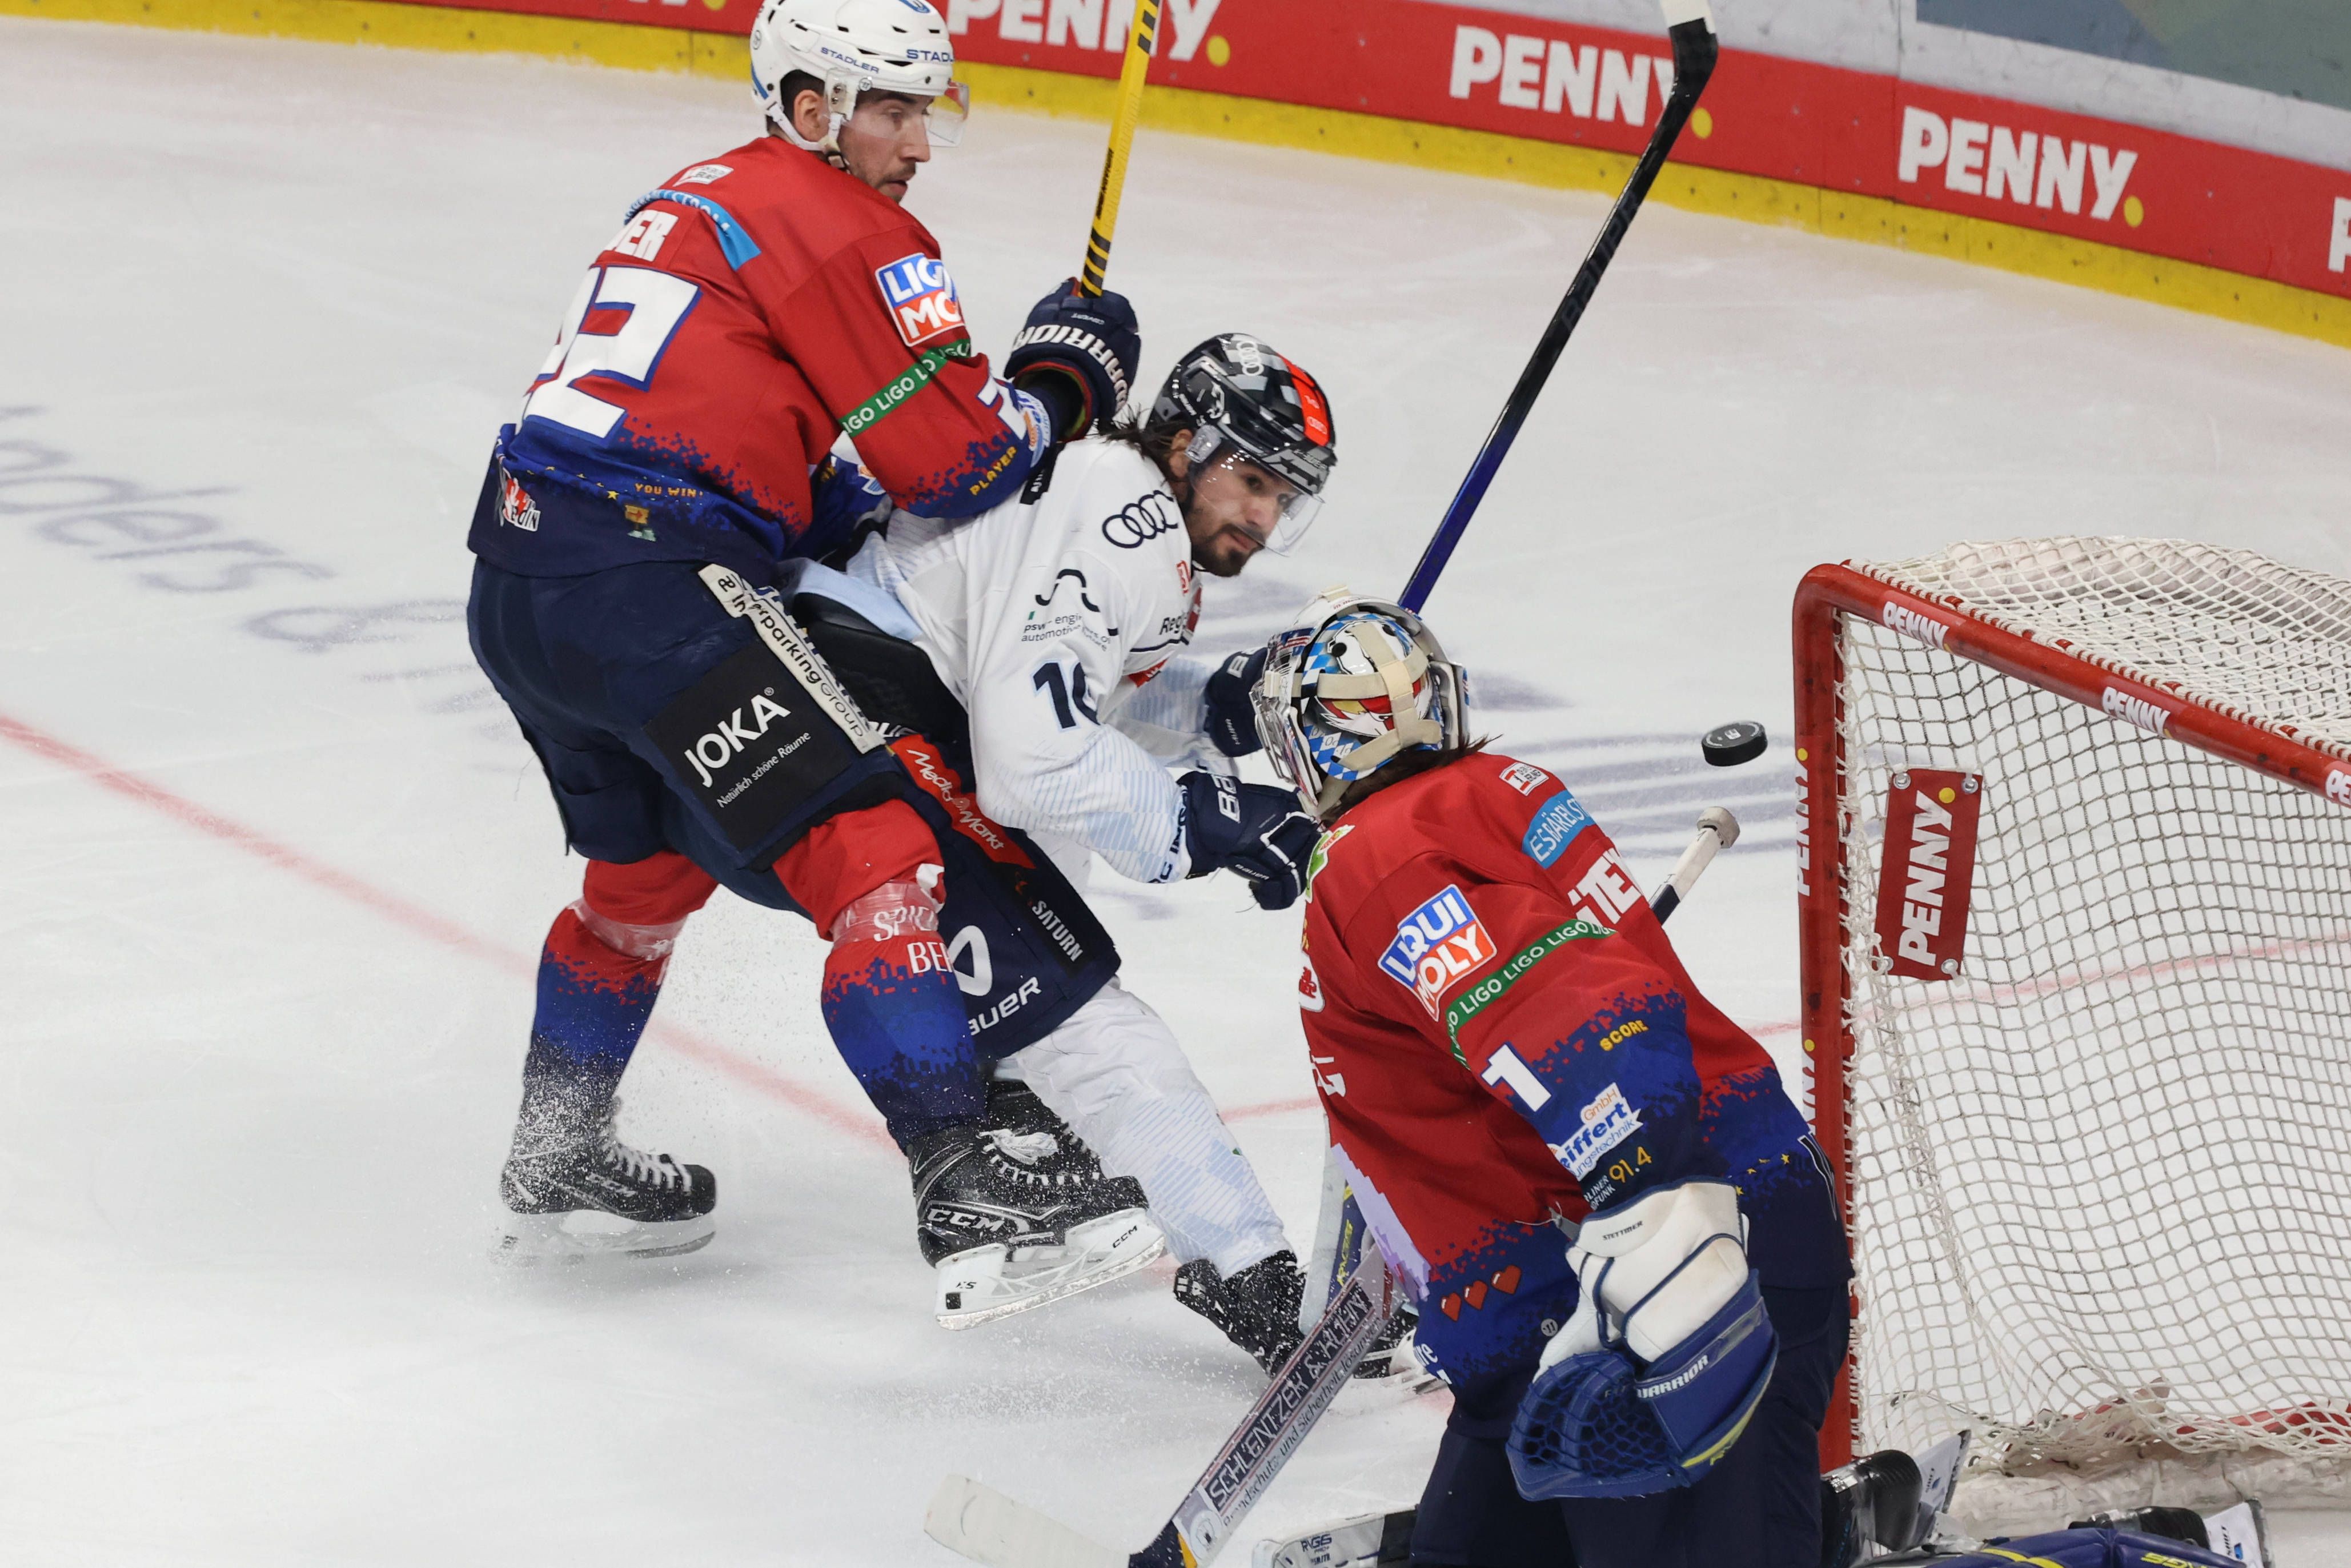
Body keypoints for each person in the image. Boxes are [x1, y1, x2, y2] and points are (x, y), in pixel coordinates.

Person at [467, 0, 1154, 1289]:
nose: (918, 145)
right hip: (653, 591)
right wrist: (1062, 383)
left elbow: (730, 429)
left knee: (642, 877)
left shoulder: (699, 195)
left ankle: (555, 1149)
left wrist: (840, 496)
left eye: (923, 113)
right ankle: (962, 1179)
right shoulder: (852, 225)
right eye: (891, 112)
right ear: (809, 108)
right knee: (880, 852)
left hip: (519, 583)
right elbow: (957, 463)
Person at [1250, 593, 1852, 1565]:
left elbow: (1565, 1013)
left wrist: (1648, 1202)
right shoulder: (1498, 787)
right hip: (1570, 1308)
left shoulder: (1377, 859)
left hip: (1660, 1289)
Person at [816, 332, 1383, 1364]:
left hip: (866, 697)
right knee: (1089, 1015)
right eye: (1253, 481)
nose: (1263, 519)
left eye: (1284, 498)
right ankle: (1251, 1274)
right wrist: (1201, 820)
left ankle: (1014, 1100)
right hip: (871, 721)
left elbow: (1066, 690)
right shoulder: (1128, 518)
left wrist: (1214, 708)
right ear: (1186, 444)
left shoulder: (1110, 492)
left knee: (1052, 883)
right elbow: (1033, 757)